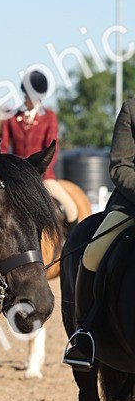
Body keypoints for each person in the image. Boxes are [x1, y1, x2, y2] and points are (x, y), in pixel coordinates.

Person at [63, 98, 135, 370]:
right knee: (93, 253)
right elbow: (120, 165)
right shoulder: (131, 110)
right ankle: (85, 334)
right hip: (130, 203)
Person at [0, 68, 78, 228]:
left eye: (36, 97)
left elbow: (51, 149)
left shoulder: (49, 118)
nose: (33, 100)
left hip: (43, 176)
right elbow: (2, 147)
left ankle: (69, 247)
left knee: (71, 210)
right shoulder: (11, 118)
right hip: (17, 177)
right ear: (25, 95)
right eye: (30, 96)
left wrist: (38, 171)